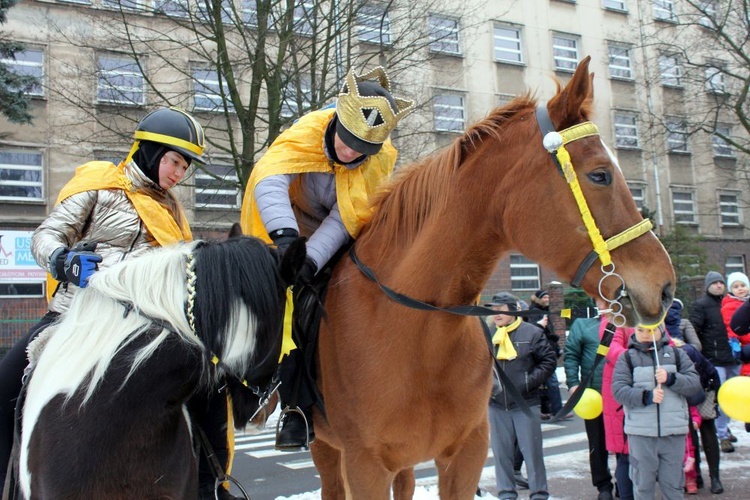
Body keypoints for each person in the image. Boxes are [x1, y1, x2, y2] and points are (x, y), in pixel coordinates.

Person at [0, 108, 235, 500]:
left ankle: (213, 486)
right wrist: (64, 260)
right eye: (175, 161)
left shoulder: (173, 210)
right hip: (76, 316)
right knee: (5, 382)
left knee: (210, 384)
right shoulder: (99, 183)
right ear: (150, 151)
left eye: (185, 167)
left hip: (145, 326)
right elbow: (47, 235)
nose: (179, 174)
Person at [240, 66, 414, 450]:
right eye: (347, 140)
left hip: (339, 236)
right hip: (285, 224)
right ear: (336, 121)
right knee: (290, 305)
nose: (350, 151)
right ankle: (289, 405)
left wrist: (312, 260)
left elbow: (345, 218)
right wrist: (288, 242)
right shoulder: (307, 130)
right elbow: (270, 179)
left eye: (360, 149)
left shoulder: (378, 159)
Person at [612, 325, 701, 500]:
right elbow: (619, 390)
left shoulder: (677, 354)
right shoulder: (627, 358)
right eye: (640, 330)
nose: (646, 335)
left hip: (673, 432)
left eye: (651, 330)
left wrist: (671, 378)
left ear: (661, 330)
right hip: (641, 433)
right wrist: (646, 396)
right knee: (643, 486)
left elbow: (694, 384)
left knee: (673, 486)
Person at [486, 292, 556, 500]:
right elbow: (477, 364)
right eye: (493, 309)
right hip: (497, 404)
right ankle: (506, 494)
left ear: (513, 310)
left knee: (532, 453)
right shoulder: (488, 334)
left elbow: (548, 361)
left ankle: (539, 494)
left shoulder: (532, 332)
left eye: (501, 309)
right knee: (502, 454)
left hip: (526, 403)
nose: (496, 313)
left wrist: (527, 383)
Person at [563, 298, 615, 500]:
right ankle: (603, 485)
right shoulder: (582, 325)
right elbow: (571, 355)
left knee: (624, 442)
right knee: (597, 443)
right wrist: (573, 383)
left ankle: (625, 480)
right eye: (602, 300)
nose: (606, 303)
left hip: (620, 395)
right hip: (594, 394)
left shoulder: (625, 324)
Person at [690, 271, 740, 453]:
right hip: (714, 359)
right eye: (715, 283)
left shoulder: (731, 303)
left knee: (733, 397)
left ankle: (725, 428)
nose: (719, 285)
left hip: (734, 357)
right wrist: (702, 354)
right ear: (708, 286)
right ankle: (722, 435)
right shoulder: (701, 305)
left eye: (721, 282)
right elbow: (694, 330)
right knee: (720, 397)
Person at [672, 337, 724, 494]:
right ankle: (696, 477)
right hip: (682, 396)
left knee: (707, 433)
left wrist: (715, 399)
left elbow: (712, 373)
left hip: (702, 393)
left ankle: (714, 477)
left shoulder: (688, 352)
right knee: (690, 437)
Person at [601, 320, 634, 500]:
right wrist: (639, 356)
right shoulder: (614, 319)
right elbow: (611, 347)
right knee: (626, 454)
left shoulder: (650, 316)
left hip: (647, 392)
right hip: (622, 392)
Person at [526, 289, 565, 419]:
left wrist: (556, 347)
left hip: (546, 351)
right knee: (551, 382)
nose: (547, 299)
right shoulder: (534, 313)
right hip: (541, 353)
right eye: (544, 297)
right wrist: (540, 325)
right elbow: (533, 332)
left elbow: (549, 333)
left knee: (543, 383)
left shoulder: (543, 311)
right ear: (538, 299)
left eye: (548, 297)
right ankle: (557, 411)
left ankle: (546, 410)